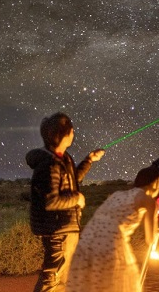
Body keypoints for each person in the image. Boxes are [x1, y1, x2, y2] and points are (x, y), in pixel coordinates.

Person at [26, 112, 105, 292]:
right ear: (62, 135)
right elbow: (51, 201)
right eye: (71, 130)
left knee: (63, 278)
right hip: (57, 231)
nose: (73, 133)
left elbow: (72, 180)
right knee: (52, 278)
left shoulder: (62, 158)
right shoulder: (49, 164)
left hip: (64, 227)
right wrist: (77, 199)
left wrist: (89, 160)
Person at [66, 162, 159, 292]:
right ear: (156, 183)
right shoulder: (147, 199)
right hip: (110, 243)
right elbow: (151, 240)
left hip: (88, 240)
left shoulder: (117, 194)